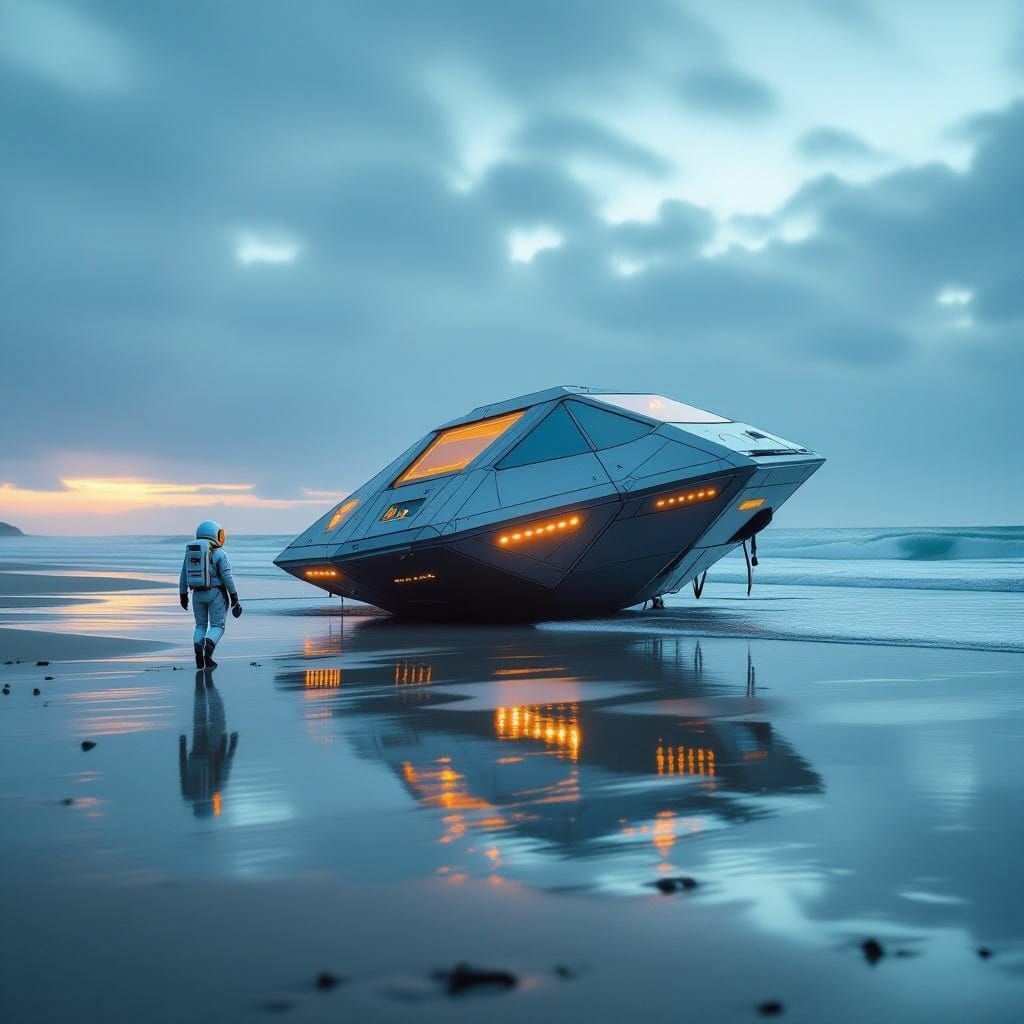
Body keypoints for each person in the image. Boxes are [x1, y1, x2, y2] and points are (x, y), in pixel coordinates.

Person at [179, 520, 242, 669]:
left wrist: (183, 595)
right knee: (217, 626)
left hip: (196, 594)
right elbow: (227, 576)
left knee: (200, 625)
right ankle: (208, 653)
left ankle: (198, 651)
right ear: (215, 534)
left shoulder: (191, 552)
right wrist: (234, 597)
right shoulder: (220, 553)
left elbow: (183, 575)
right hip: (216, 593)